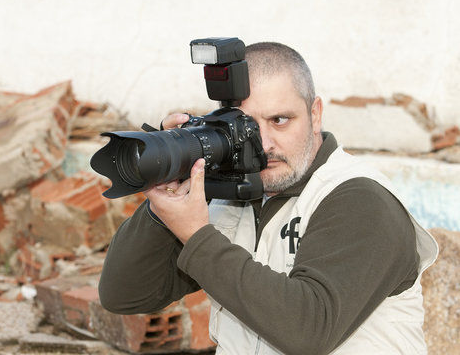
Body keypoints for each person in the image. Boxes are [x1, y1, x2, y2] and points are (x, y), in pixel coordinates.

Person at [98, 42, 438, 354]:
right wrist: (164, 200)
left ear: (315, 114)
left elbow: (308, 329)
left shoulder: (360, 199)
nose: (265, 144)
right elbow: (125, 294)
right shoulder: (228, 199)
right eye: (246, 127)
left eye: (279, 120)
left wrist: (198, 238)